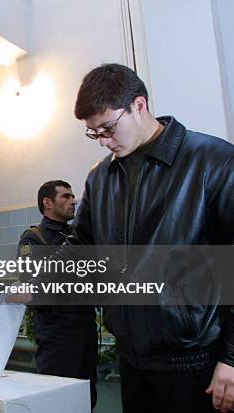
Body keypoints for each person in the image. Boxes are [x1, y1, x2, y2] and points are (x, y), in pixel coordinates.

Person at [70, 63, 233, 412]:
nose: (103, 141)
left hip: (198, 364)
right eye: (93, 133)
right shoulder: (100, 180)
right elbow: (81, 248)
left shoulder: (213, 160)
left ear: (139, 105)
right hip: (133, 360)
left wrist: (233, 358)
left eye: (108, 128)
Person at [16, 180, 98, 409]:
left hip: (85, 325)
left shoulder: (78, 235)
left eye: (73, 197)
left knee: (87, 395)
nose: (73, 201)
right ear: (48, 203)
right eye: (66, 197)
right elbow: (35, 286)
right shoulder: (34, 238)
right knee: (57, 396)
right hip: (57, 329)